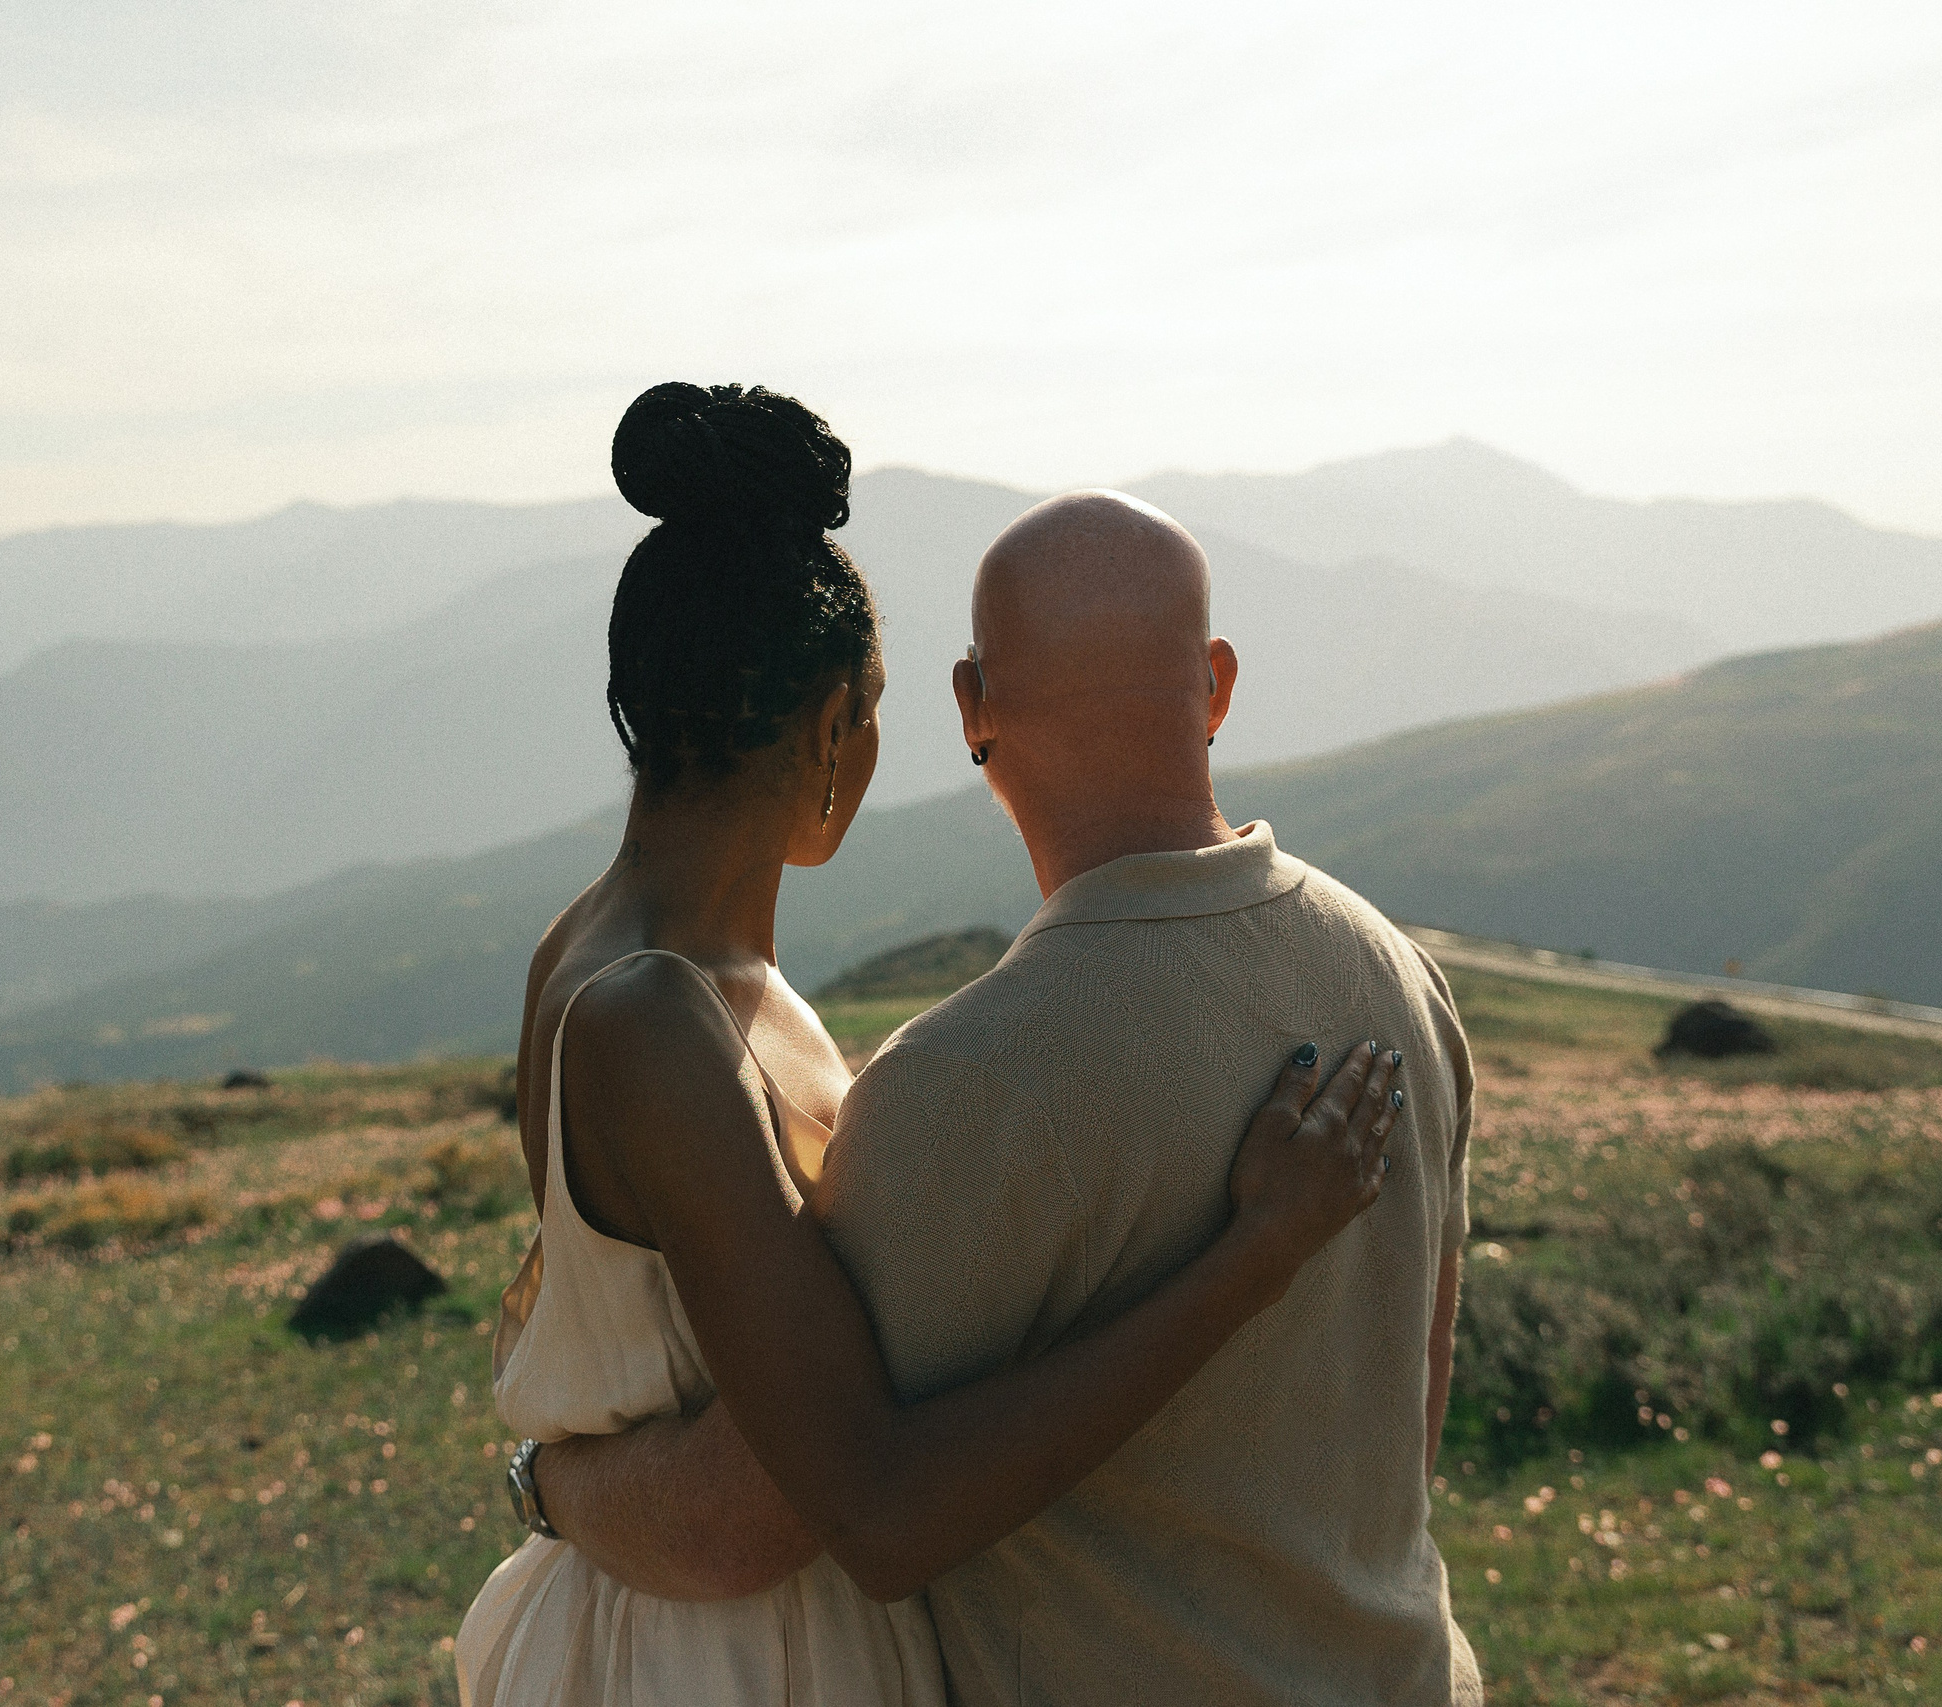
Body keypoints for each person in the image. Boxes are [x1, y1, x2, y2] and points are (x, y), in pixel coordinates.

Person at [455, 382, 1407, 1706]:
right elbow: (874, 1496)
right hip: (734, 1664)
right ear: (835, 727)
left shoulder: (612, 954)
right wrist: (1251, 1256)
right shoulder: (656, 1020)